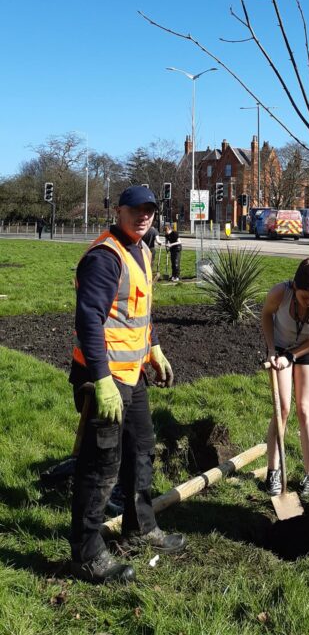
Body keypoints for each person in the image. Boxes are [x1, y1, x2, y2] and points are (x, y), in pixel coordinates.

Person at [69, 184, 186, 584]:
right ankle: (86, 553)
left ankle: (141, 527)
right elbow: (88, 321)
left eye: (150, 210)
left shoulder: (143, 249)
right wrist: (101, 380)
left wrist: (153, 347)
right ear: (118, 211)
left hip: (131, 374)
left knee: (140, 450)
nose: (144, 216)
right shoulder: (104, 257)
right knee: (101, 465)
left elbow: (139, 309)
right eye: (136, 209)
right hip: (102, 377)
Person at [261, 257, 309, 500]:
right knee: (283, 408)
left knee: (305, 410)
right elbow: (266, 315)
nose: (308, 301)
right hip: (278, 348)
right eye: (304, 297)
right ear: (295, 287)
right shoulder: (281, 292)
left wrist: (293, 355)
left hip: (306, 350)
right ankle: (273, 470)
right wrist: (272, 350)